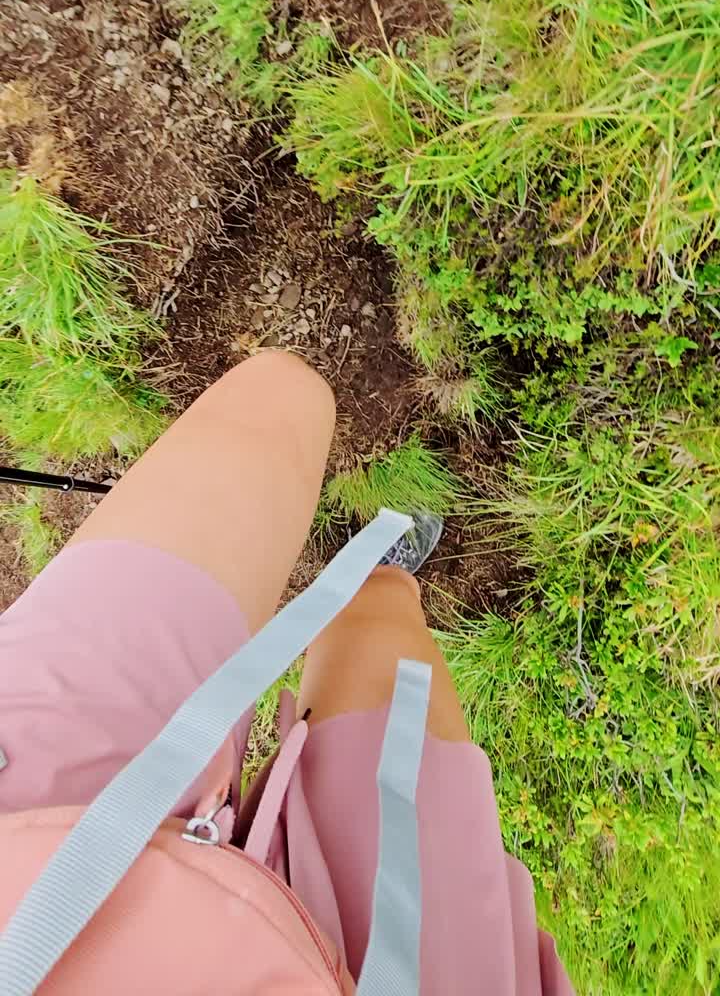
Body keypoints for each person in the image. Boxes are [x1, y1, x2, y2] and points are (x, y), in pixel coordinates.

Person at [0, 350, 573, 994]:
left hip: (28, 837)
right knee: (385, 635)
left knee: (281, 394)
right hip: (400, 975)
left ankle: (373, 575)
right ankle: (379, 578)